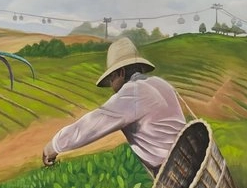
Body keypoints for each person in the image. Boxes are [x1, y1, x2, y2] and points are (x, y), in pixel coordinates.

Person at [43, 36, 185, 175]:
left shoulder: (131, 93)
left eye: (111, 77)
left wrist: (54, 146)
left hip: (172, 174)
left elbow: (91, 125)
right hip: (190, 157)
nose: (111, 84)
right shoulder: (160, 83)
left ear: (122, 73)